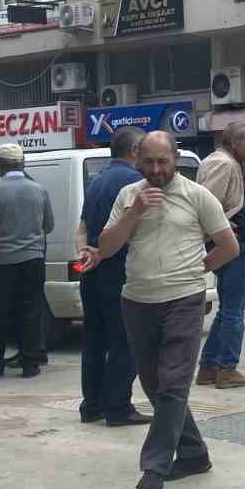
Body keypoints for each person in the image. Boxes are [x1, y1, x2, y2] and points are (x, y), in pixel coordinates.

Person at [99, 131, 239, 489]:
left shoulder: (197, 196)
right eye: (149, 162)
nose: (157, 169)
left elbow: (229, 246)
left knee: (174, 382)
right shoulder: (129, 196)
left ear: (176, 159)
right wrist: (137, 211)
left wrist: (197, 270)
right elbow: (108, 247)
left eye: (164, 161)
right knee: (155, 386)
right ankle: (193, 454)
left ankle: (154, 467)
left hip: (183, 299)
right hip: (137, 301)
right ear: (138, 160)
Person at [73, 127, 152, 427]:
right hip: (119, 271)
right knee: (125, 340)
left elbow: (81, 227)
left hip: (91, 271)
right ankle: (118, 406)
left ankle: (91, 404)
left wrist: (86, 252)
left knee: (94, 339)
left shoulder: (96, 181)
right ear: (134, 151)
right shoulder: (135, 184)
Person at [0, 143, 54, 378]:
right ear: (22, 163)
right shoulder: (39, 190)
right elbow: (49, 225)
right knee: (30, 311)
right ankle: (30, 364)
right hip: (33, 260)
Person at [198, 122, 245, 389]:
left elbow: (237, 199)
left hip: (228, 237)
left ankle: (209, 367)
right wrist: (222, 228)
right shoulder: (224, 164)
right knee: (234, 311)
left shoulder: (225, 162)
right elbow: (208, 201)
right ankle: (227, 369)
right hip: (234, 240)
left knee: (227, 310)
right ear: (235, 143)